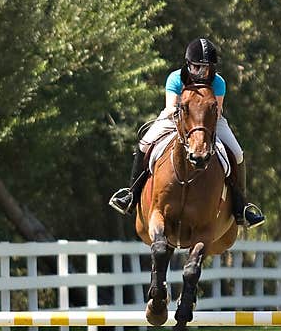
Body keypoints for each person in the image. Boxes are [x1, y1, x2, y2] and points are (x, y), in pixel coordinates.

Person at [108, 37, 265, 228]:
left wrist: (200, 126)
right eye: (197, 67)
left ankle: (241, 207)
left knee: (238, 154)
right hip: (175, 118)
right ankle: (131, 195)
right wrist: (186, 118)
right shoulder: (175, 78)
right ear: (188, 64)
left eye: (206, 68)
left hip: (208, 122)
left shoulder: (218, 82)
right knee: (144, 143)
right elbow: (170, 107)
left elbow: (216, 112)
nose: (201, 72)